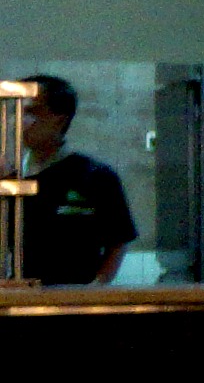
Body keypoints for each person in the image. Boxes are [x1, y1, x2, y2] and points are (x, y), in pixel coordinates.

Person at [16, 75, 134, 285]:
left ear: (59, 119)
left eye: (31, 112)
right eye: (16, 112)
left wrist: (95, 288)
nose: (21, 122)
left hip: (74, 295)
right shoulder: (11, 179)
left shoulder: (95, 176)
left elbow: (118, 241)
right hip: (18, 294)